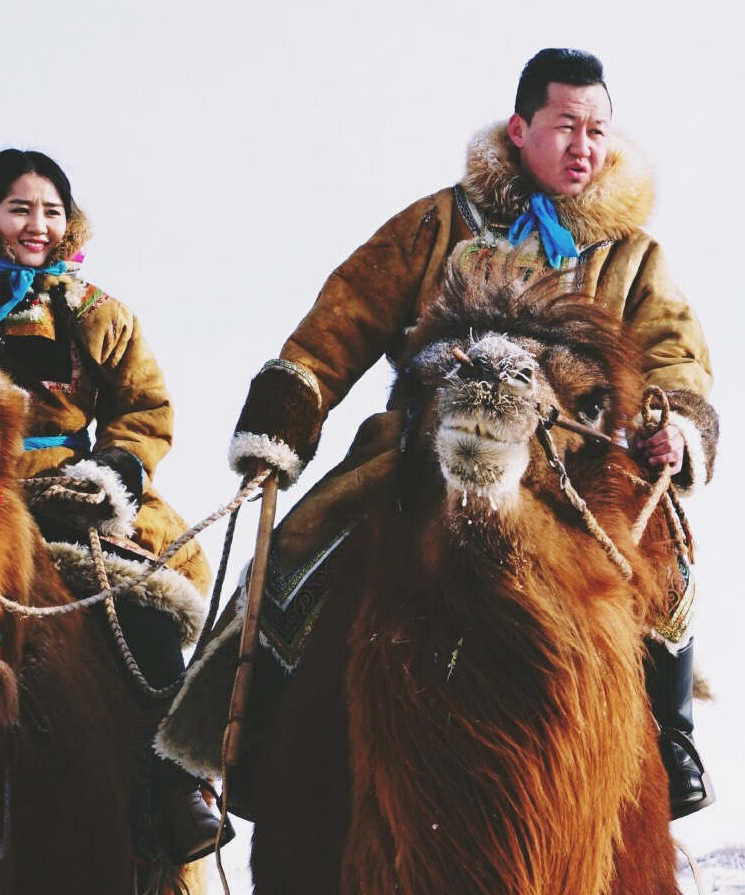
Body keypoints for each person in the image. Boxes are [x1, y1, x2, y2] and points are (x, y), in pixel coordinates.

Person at [225, 49, 719, 815]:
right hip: (424, 449)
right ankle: (245, 744)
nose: (583, 146)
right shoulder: (438, 222)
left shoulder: (632, 255)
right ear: (521, 130)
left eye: (597, 130)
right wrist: (284, 423)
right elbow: (342, 318)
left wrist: (679, 427)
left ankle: (671, 741)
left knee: (670, 562)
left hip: (570, 465)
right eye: (565, 126)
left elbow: (674, 353)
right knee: (298, 549)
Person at [0, 148, 227, 861]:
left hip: (74, 488)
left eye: (51, 211)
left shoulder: (100, 313)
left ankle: (177, 788)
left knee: (145, 607)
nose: (37, 224)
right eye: (20, 208)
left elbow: (146, 409)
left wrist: (116, 465)